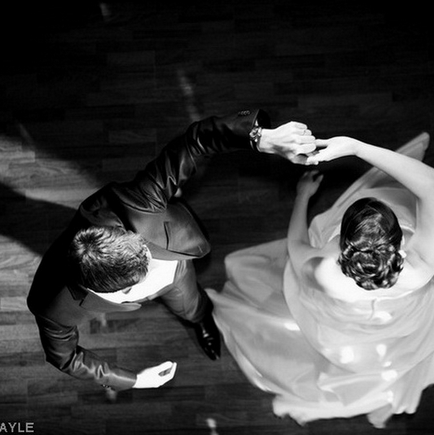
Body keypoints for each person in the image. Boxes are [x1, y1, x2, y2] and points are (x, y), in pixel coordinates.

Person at [207, 132, 434, 428]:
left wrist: (302, 196)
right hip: (405, 318)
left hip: (346, 313)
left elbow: (296, 244)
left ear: (344, 241)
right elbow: (432, 184)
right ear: (397, 238)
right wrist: (356, 146)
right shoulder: (423, 265)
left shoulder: (325, 273)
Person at [27, 109, 316, 392]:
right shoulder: (52, 306)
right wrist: (135, 380)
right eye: (143, 271)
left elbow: (196, 141)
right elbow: (64, 358)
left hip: (176, 269)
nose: (151, 263)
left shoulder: (134, 205)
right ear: (118, 292)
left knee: (190, 304)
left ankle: (200, 318)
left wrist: (258, 137)